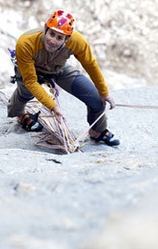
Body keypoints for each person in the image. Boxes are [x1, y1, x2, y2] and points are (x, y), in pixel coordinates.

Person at [7, 9, 120, 146]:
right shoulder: (26, 42)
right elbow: (31, 81)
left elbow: (90, 65)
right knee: (26, 89)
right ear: (45, 29)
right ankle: (20, 115)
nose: (53, 41)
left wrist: (104, 92)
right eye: (51, 34)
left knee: (95, 99)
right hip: (31, 70)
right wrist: (53, 107)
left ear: (67, 39)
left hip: (57, 68)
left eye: (60, 38)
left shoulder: (77, 42)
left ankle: (97, 131)